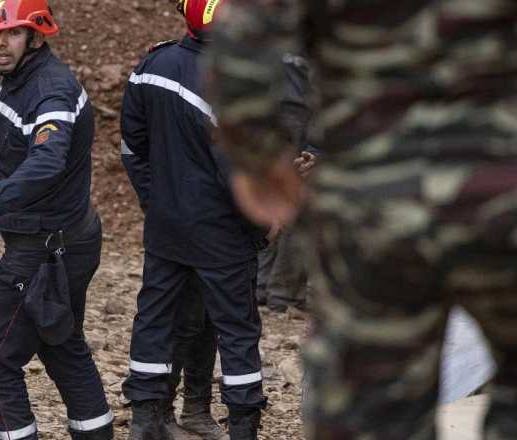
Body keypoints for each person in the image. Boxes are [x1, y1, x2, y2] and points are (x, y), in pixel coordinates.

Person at [207, 1, 517, 439]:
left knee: (372, 411)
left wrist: (257, 157)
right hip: (504, 194)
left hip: (375, 206)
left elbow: (247, 34)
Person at [0, 1, 113, 438]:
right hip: (61, 239)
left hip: (44, 249)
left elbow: (46, 163)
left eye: (12, 33)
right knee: (61, 344)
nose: (0, 43)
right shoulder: (19, 79)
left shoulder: (51, 91)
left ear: (36, 36)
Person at [119, 0, 267, 438]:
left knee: (154, 321)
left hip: (166, 228)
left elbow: (132, 147)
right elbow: (239, 174)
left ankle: (146, 422)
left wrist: (158, 200)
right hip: (223, 235)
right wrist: (259, 226)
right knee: (238, 332)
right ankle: (243, 427)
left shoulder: (153, 64)